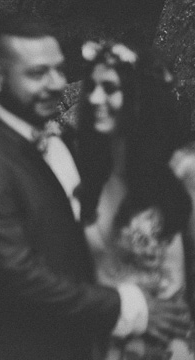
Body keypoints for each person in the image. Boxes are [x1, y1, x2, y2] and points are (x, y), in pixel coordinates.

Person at [0, 16, 190, 360]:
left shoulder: (60, 149)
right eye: (38, 73)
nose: (57, 84)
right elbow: (15, 278)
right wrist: (127, 306)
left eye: (60, 70)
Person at [76, 40, 195, 359]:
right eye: (92, 87)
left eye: (110, 88)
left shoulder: (177, 182)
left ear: (138, 97)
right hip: (96, 340)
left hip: (161, 348)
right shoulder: (84, 176)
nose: (94, 98)